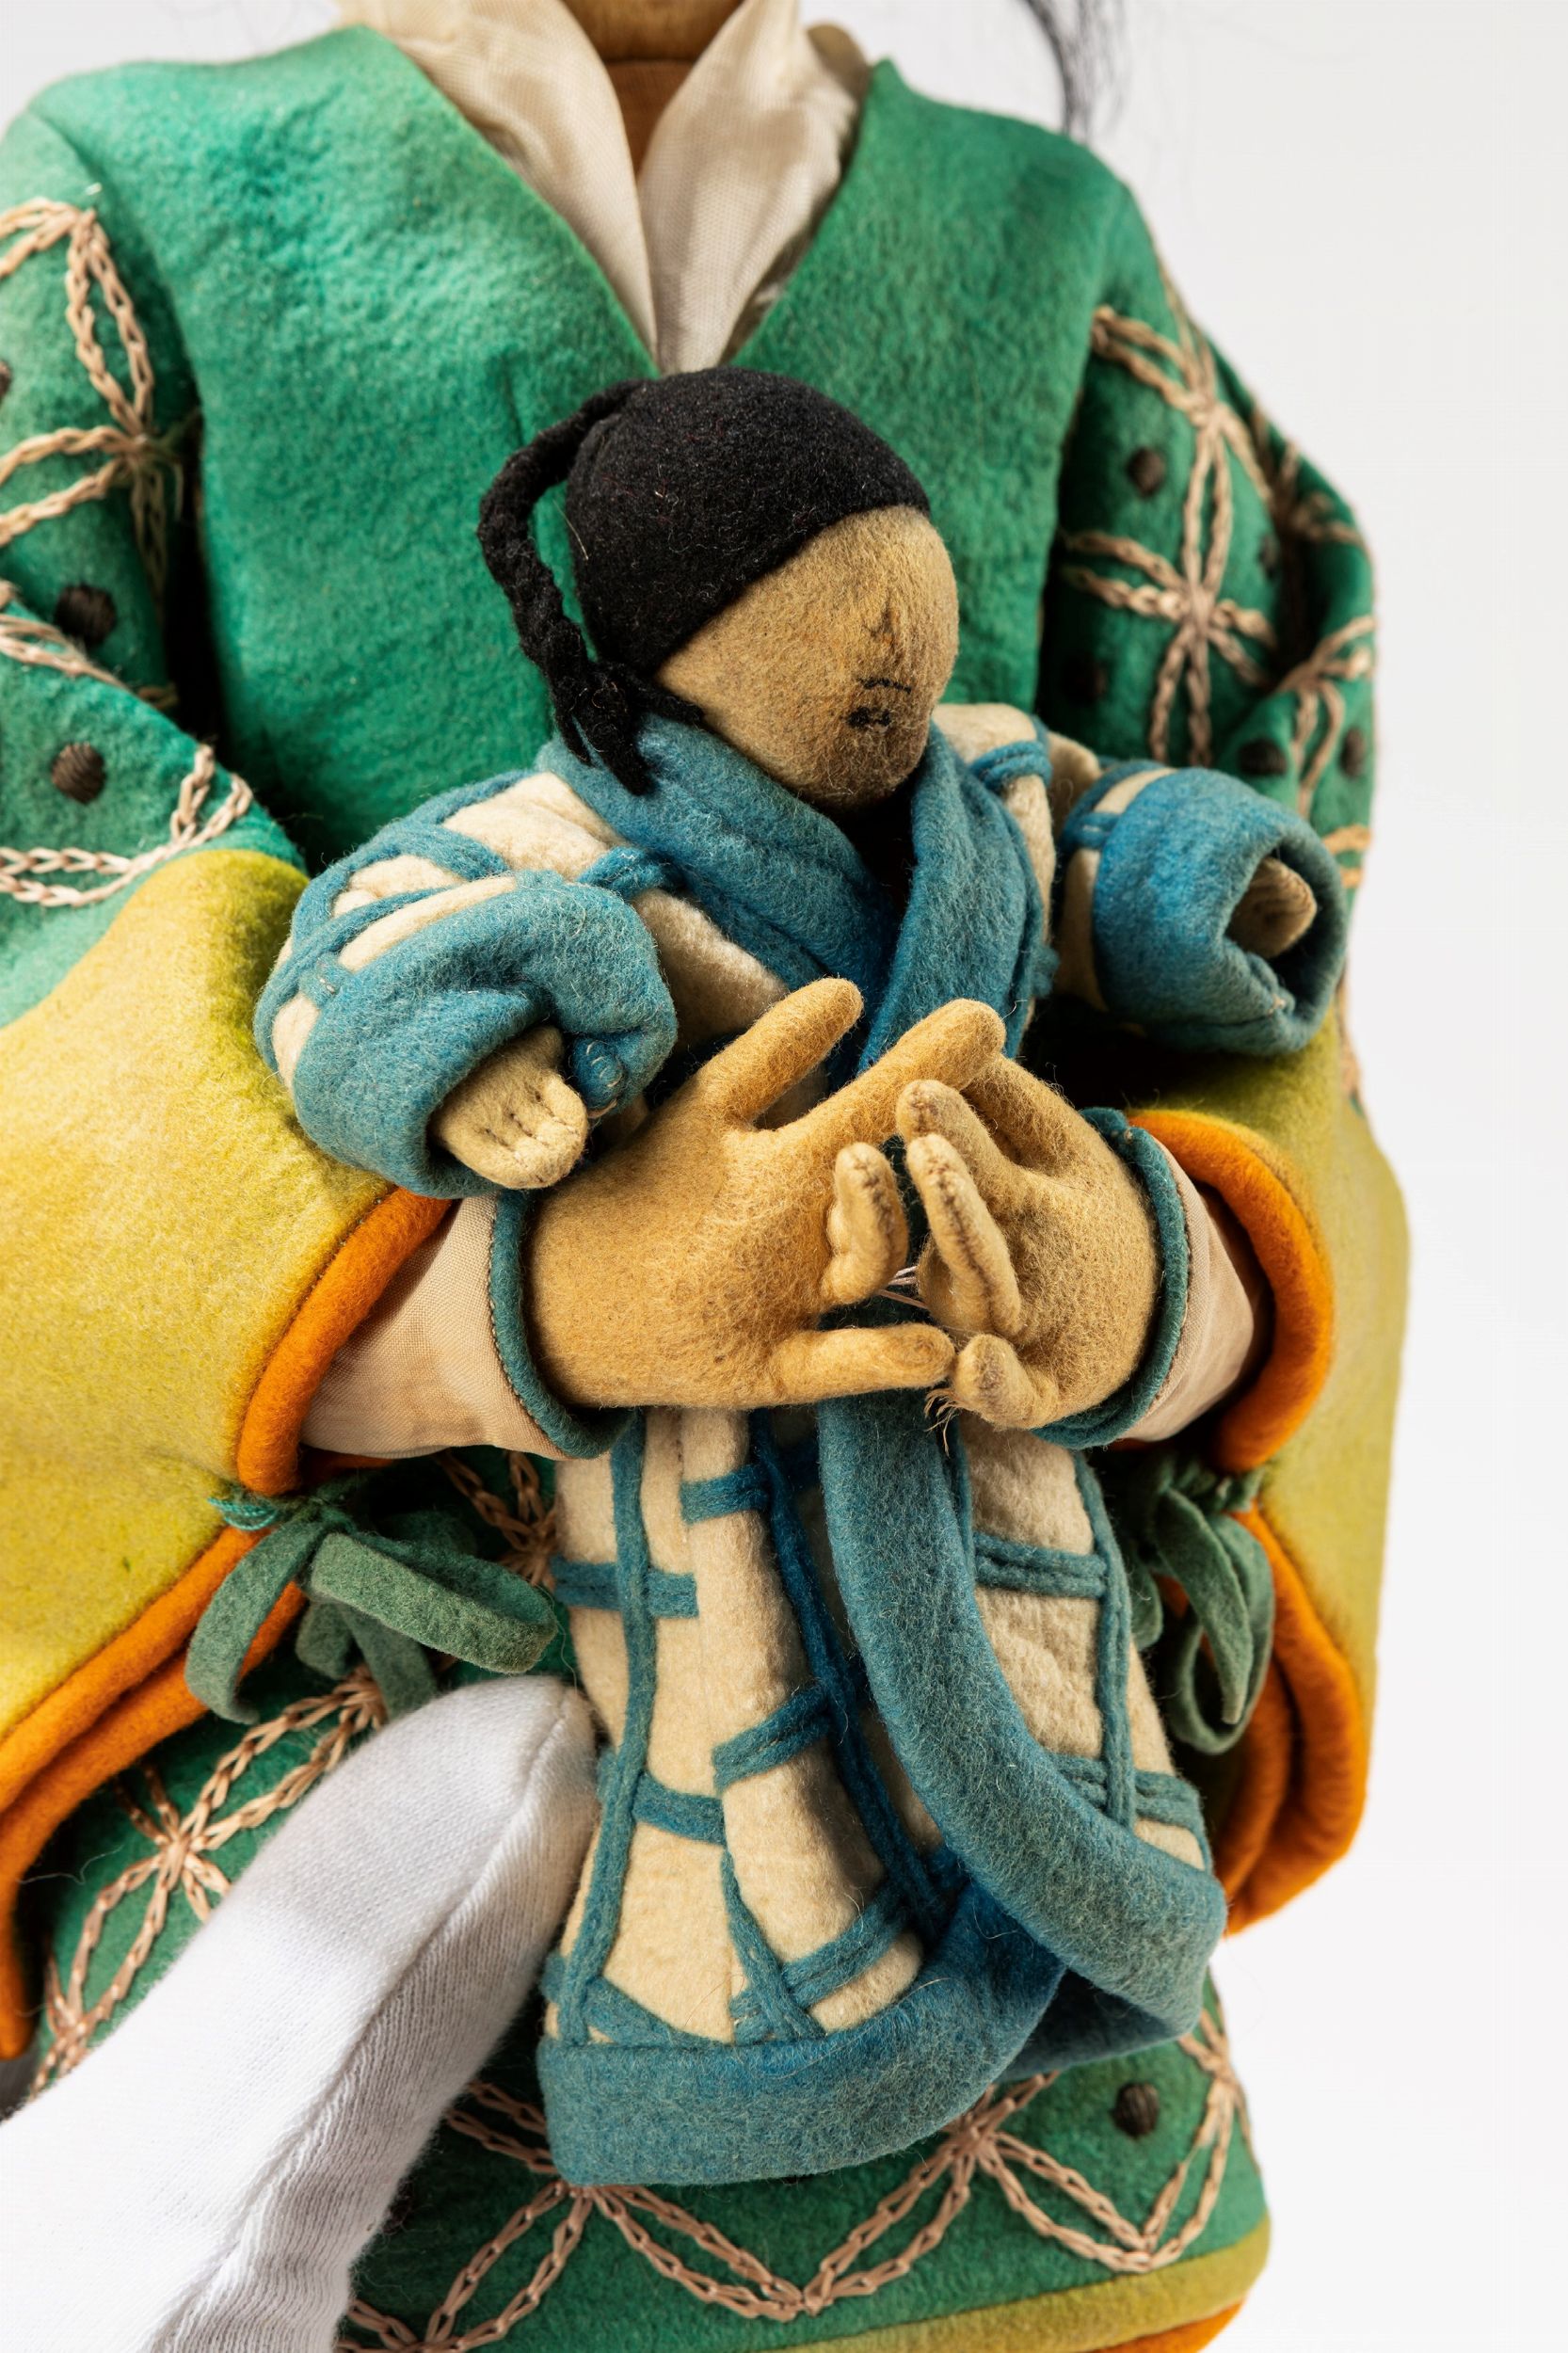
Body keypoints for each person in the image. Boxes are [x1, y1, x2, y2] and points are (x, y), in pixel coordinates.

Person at [0, 4, 1405, 2346]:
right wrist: (502, 1305)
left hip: (989, 1609)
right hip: (384, 1722)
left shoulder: (1049, 254)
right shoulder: (121, 221)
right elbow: (29, 896)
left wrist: (1152, 1273)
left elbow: (1256, 888)